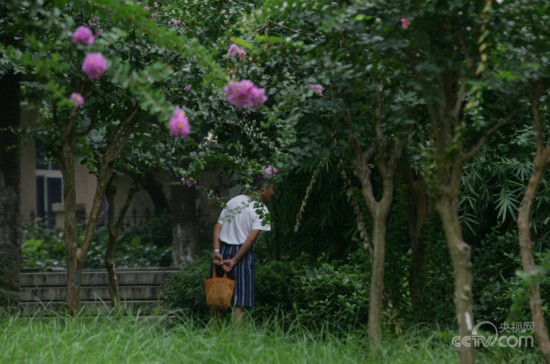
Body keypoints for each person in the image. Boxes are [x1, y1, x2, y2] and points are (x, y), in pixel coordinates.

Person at [211, 176, 274, 324]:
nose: (273, 193)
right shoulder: (261, 209)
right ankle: (237, 340)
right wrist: (235, 260)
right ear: (263, 190)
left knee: (217, 296)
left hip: (222, 250)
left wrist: (216, 252)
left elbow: (217, 228)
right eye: (272, 189)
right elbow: (251, 239)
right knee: (239, 301)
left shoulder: (234, 201)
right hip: (241, 255)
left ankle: (214, 334)